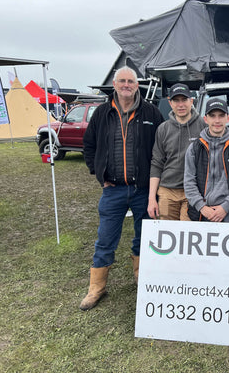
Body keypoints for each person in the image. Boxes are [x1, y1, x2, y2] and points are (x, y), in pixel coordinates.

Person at [80, 66, 164, 311]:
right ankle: (97, 288)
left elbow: (161, 147)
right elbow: (89, 145)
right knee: (106, 238)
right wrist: (97, 172)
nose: (126, 85)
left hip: (142, 190)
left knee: (144, 235)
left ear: (137, 85)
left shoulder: (151, 112)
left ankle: (142, 278)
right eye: (122, 81)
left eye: (131, 81)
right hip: (113, 189)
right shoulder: (102, 113)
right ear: (115, 85)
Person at [184, 98, 229, 223]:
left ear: (228, 118)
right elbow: (189, 182)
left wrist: (225, 208)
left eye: (221, 116)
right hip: (201, 212)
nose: (217, 120)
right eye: (212, 116)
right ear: (205, 119)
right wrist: (201, 207)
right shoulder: (195, 148)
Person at [148, 83, 205, 221]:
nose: (181, 105)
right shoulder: (163, 129)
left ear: (191, 101)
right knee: (168, 237)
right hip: (167, 190)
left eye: (184, 100)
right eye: (176, 100)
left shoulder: (204, 127)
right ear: (170, 103)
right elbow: (157, 163)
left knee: (188, 235)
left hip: (193, 192)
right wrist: (151, 199)